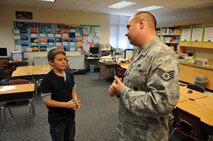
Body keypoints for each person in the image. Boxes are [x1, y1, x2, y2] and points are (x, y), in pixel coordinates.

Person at [108, 11, 180, 141]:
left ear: (141, 23)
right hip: (129, 130)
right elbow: (137, 87)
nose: (126, 32)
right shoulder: (141, 51)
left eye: (128, 27)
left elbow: (162, 102)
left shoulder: (162, 55)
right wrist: (119, 89)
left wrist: (123, 91)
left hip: (146, 135)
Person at [40, 48, 81, 141]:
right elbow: (47, 101)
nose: (64, 62)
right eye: (60, 59)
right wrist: (66, 105)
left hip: (70, 115)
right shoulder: (47, 80)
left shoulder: (70, 74)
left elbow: (73, 89)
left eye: (65, 59)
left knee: (70, 137)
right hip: (57, 118)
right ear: (51, 62)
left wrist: (75, 100)